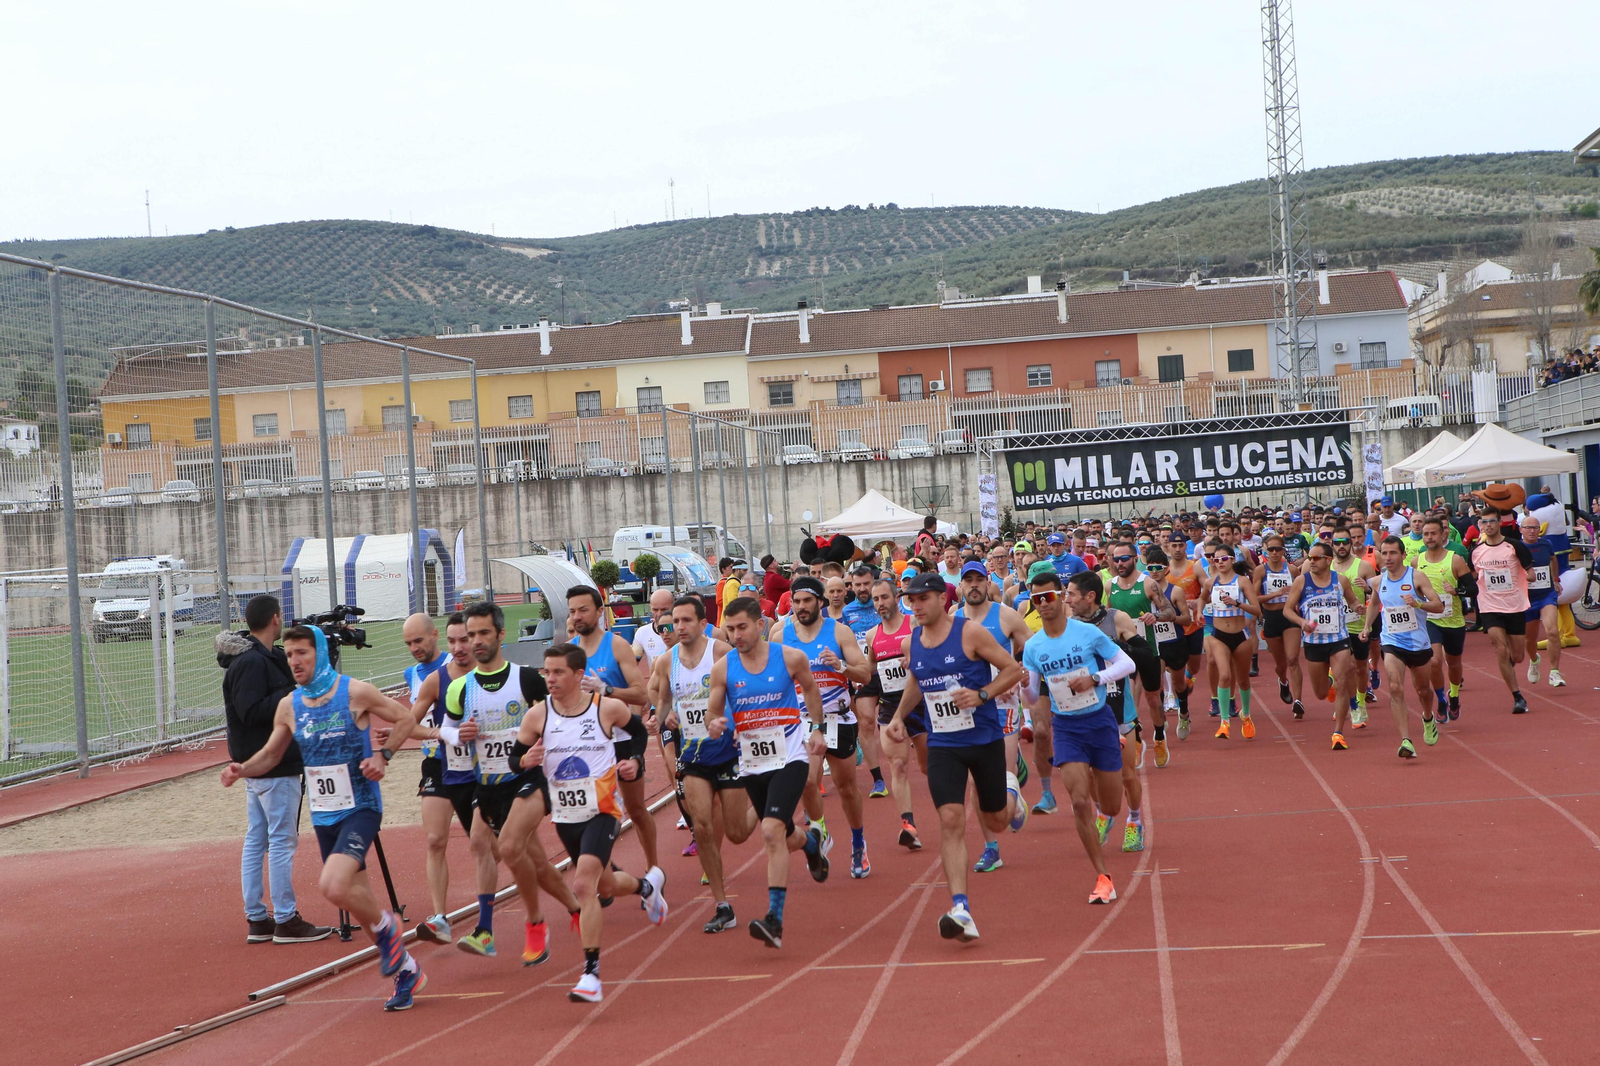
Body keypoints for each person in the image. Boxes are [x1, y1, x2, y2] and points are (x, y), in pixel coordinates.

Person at [220, 625, 424, 1010]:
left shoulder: (355, 692)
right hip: (325, 817)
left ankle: (390, 927)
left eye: (303, 653)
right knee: (358, 899)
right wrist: (242, 769)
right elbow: (272, 755)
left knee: (333, 887)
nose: (295, 661)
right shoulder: (289, 705)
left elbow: (405, 719)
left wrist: (384, 757)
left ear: (321, 655)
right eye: (290, 654)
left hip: (361, 808)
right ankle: (407, 970)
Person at [513, 643, 667, 1004]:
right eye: (546, 672)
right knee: (606, 886)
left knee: (583, 885)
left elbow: (640, 733)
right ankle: (646, 887)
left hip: (603, 810)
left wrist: (633, 762)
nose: (549, 679)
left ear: (579, 675)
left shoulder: (606, 708)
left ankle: (591, 973)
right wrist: (525, 761)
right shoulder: (537, 716)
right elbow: (513, 758)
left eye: (557, 672)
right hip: (566, 816)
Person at [884, 571, 1025, 942]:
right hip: (943, 744)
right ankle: (960, 908)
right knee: (950, 819)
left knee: (996, 821)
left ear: (942, 599)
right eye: (910, 600)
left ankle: (1012, 790)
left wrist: (981, 695)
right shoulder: (913, 639)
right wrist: (899, 717)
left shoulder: (970, 633)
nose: (914, 606)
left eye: (922, 599)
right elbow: (916, 679)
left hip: (983, 739)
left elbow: (1013, 669)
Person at [440, 602, 581, 967]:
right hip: (487, 785)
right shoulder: (459, 688)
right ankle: (576, 907)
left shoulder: (526, 679)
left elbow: (557, 720)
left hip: (527, 779)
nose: (476, 641)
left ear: (501, 634)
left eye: (484, 633)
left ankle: (530, 924)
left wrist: (542, 749)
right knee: (530, 859)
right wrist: (458, 735)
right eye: (471, 635)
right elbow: (447, 732)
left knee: (508, 846)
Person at [707, 597, 830, 948]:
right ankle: (809, 843)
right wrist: (714, 724)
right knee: (783, 833)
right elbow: (712, 713)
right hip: (753, 763)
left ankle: (774, 919)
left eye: (742, 627)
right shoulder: (724, 668)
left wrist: (817, 728)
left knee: (771, 831)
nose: (736, 635)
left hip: (790, 757)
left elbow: (810, 688)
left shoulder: (789, 657)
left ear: (760, 625)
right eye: (730, 629)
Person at [219, 594, 331, 945]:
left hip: (260, 764)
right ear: (275, 620)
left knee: (259, 839)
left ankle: (258, 916)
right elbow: (251, 710)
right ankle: (284, 918)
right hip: (271, 764)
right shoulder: (251, 663)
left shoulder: (260, 658)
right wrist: (289, 694)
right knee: (280, 841)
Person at [1022, 569, 1138, 902]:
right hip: (1067, 727)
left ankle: (1109, 804)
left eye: (1048, 597)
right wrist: (1021, 687)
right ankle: (1103, 877)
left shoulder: (1086, 633)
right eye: (1036, 600)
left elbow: (1126, 664)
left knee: (1112, 806)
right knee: (1077, 800)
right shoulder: (1033, 646)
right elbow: (1031, 697)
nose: (1043, 604)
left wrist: (1096, 679)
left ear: (1060, 597)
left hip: (1100, 723)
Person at [652, 596, 753, 933]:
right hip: (693, 755)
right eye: (673, 623)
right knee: (703, 826)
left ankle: (765, 802)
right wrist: (664, 719)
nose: (678, 628)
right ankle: (722, 905)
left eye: (684, 621)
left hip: (728, 751)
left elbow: (743, 691)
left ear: (701, 623)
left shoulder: (721, 652)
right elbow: (664, 699)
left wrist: (739, 726)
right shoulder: (667, 661)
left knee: (737, 833)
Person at [405, 613, 500, 949]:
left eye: (419, 640)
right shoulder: (422, 677)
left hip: (484, 766)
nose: (414, 648)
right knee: (434, 840)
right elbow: (410, 722)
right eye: (409, 644)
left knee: (493, 846)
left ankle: (516, 889)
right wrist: (387, 748)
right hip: (439, 763)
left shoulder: (480, 668)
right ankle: (441, 918)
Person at [772, 577, 874, 878]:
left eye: (807, 601)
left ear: (820, 602)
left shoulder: (839, 632)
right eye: (796, 601)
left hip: (838, 718)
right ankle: (820, 830)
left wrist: (841, 666)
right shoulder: (781, 637)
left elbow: (866, 675)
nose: (801, 607)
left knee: (846, 788)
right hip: (802, 722)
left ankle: (858, 842)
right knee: (806, 781)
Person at [567, 586, 659, 872]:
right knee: (588, 813)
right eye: (572, 611)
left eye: (583, 610)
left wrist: (606, 690)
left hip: (622, 738)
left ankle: (653, 870)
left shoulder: (616, 645)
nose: (577, 616)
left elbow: (641, 695)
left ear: (598, 611)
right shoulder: (571, 651)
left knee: (636, 810)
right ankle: (605, 873)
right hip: (589, 743)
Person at [1063, 571, 1153, 853]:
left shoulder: (1117, 619)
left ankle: (1135, 820)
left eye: (1071, 594)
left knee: (1126, 774)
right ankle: (1103, 813)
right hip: (1085, 708)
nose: (1067, 600)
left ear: (1090, 597)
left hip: (1118, 708)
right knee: (1089, 773)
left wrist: (1115, 648)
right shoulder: (1069, 625)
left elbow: (1145, 656)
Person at [957, 561, 1034, 873]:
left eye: (979, 580)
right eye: (968, 581)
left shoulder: (1005, 615)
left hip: (1003, 702)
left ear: (988, 583)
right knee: (976, 780)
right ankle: (991, 848)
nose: (974, 586)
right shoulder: (953, 620)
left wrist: (1023, 673)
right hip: (969, 706)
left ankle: (1014, 772)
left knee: (1001, 770)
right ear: (961, 586)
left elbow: (1032, 645)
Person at [1366, 536, 1446, 757]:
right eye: (1384, 553)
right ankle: (1406, 740)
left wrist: (1418, 603)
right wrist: (1366, 627)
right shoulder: (1378, 581)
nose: (1388, 557)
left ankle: (1428, 717)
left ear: (1403, 555)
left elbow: (1438, 605)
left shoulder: (1417, 577)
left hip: (1418, 643)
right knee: (1395, 687)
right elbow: (1374, 605)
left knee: (1422, 690)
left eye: (1393, 553)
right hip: (1392, 641)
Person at [862, 576, 927, 851]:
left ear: (896, 598)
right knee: (898, 766)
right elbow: (872, 671)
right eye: (876, 599)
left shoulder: (913, 624)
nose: (880, 604)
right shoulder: (871, 635)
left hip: (921, 705)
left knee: (927, 767)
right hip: (890, 708)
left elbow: (933, 653)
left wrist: (916, 660)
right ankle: (908, 825)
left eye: (884, 597)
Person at [1280, 543, 1358, 749]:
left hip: (1338, 639)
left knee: (1342, 683)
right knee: (1321, 693)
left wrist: (1358, 607)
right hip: (1314, 642)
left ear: (1328, 560)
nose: (1311, 561)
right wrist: (1301, 622)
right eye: (1310, 558)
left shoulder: (1340, 580)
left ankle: (1338, 733)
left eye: (1316, 558)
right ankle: (1329, 682)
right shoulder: (1301, 581)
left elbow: (1353, 602)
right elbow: (1287, 610)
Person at [1104, 544, 1176, 768]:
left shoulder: (1148, 584)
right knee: (1128, 699)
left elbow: (1170, 612)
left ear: (1135, 559)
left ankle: (1159, 738)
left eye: (1124, 559)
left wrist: (1156, 616)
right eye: (1116, 560)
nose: (1119, 564)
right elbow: (1106, 615)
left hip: (1148, 650)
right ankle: (1135, 740)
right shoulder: (1110, 586)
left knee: (1153, 699)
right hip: (1122, 653)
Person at [1470, 511, 1534, 714]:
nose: (1488, 525)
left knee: (1518, 655)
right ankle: (1517, 697)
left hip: (1514, 605)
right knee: (1501, 649)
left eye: (1492, 521)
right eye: (1484, 522)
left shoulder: (1515, 546)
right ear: (1480, 525)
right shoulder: (1477, 551)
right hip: (1489, 606)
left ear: (1499, 523)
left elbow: (1531, 572)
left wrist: (1527, 576)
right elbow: (1473, 576)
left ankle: (1509, 663)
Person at [1199, 540, 1261, 739]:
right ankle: (1224, 721)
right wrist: (1199, 612)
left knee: (1242, 680)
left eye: (1224, 558)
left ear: (1232, 560)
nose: (1220, 562)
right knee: (1224, 675)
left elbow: (1257, 609)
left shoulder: (1242, 581)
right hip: (1218, 635)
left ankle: (1247, 715)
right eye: (1216, 559)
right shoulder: (1211, 582)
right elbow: (1202, 598)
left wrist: (1237, 603)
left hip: (1240, 636)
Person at [1415, 517, 1471, 721]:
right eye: (1426, 534)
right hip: (1430, 620)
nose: (1429, 537)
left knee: (1454, 663)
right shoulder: (1417, 561)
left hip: (1454, 620)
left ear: (1443, 534)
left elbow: (1472, 589)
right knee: (1434, 661)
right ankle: (1440, 698)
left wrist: (1456, 591)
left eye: (1433, 533)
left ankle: (1453, 695)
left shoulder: (1454, 559)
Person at [842, 565, 889, 799]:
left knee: (896, 724)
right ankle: (877, 779)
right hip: (864, 673)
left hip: (889, 670)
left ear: (874, 582)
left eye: (866, 584)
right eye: (857, 584)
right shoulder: (848, 612)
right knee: (867, 723)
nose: (862, 589)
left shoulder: (885, 605)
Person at [1253, 535, 1306, 718]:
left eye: (1278, 549)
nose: (1274, 553)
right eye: (1271, 550)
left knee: (1293, 659)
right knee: (1281, 664)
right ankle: (1283, 681)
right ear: (1265, 552)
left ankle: (1298, 701)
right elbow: (1253, 599)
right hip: (1271, 617)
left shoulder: (1292, 570)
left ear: (1283, 551)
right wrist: (1275, 594)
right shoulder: (1261, 571)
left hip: (1289, 616)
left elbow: (1303, 592)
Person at [1519, 515, 1565, 688]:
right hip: (1527, 599)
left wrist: (1556, 580)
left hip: (1547, 595)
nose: (1532, 531)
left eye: (1535, 528)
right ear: (1521, 529)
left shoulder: (1546, 544)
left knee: (1552, 631)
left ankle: (1554, 672)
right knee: (1529, 640)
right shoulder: (1516, 547)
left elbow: (1553, 559)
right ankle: (1534, 659)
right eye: (1528, 528)